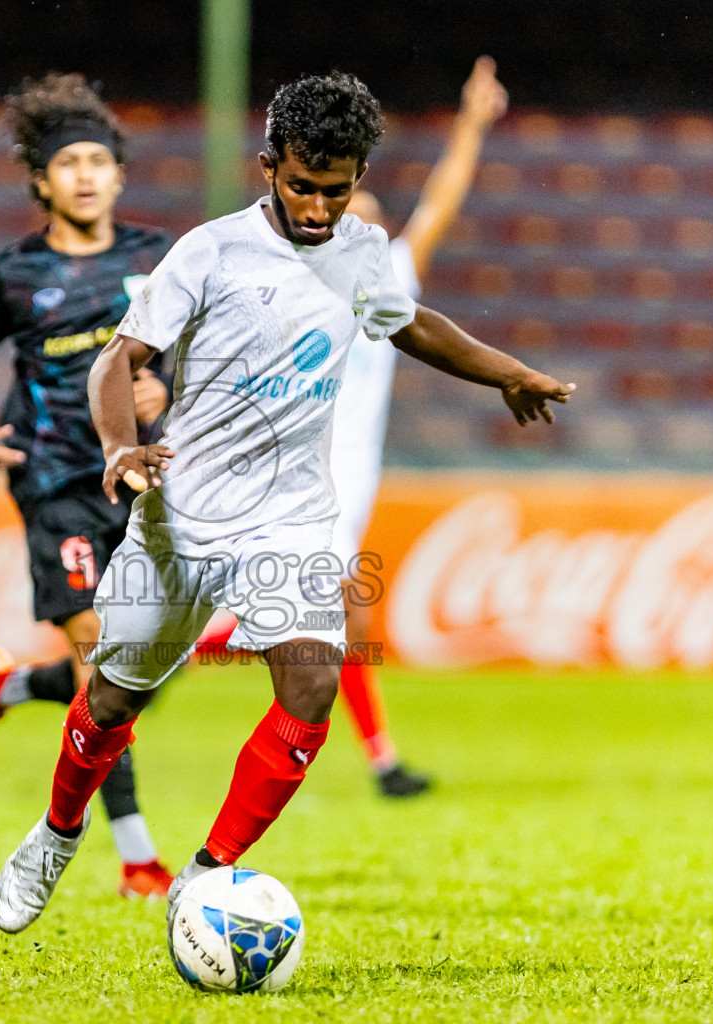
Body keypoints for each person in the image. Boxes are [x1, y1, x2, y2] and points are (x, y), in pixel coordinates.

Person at [0, 70, 574, 933]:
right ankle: (55, 833)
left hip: (292, 518)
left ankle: (206, 874)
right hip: (181, 511)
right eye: (302, 185)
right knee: (114, 699)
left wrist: (509, 373)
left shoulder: (361, 252)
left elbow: (415, 324)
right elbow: (118, 361)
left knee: (310, 688)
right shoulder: (210, 251)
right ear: (270, 165)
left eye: (335, 190)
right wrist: (121, 448)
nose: (316, 206)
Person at [192, 57, 511, 800]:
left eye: (359, 206)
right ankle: (380, 761)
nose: (349, 217)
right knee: (323, 616)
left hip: (350, 474)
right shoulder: (290, 280)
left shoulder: (389, 274)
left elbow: (440, 201)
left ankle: (148, 667)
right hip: (304, 478)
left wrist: (470, 123)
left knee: (326, 614)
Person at [0, 72, 175, 900]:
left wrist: (167, 389)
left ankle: (4, 685)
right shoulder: (11, 274)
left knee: (145, 668)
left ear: (117, 174)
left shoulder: (156, 258)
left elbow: (190, 355)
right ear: (41, 180)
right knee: (96, 653)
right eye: (66, 162)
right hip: (52, 482)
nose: (83, 174)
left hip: (138, 479)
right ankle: (139, 858)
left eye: (96, 161)